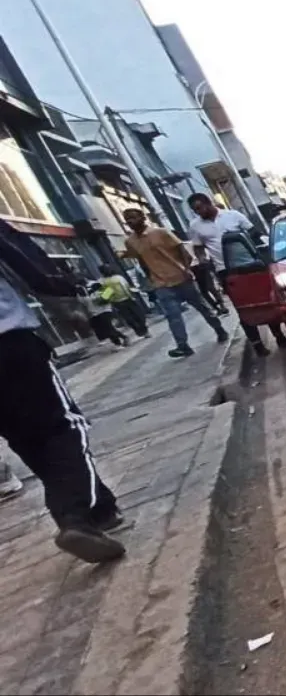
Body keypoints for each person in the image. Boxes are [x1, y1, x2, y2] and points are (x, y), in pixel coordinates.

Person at [0, 217, 126, 562]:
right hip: (10, 345)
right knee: (62, 429)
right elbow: (29, 264)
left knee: (25, 437)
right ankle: (74, 517)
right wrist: (67, 286)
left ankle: (101, 509)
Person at [186, 194, 286, 356]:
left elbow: (255, 234)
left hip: (250, 265)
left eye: (199, 208)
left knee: (264, 302)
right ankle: (257, 345)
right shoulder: (195, 226)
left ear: (208, 203)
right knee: (243, 308)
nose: (198, 212)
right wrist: (202, 259)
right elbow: (198, 248)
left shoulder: (233, 216)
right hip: (225, 271)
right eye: (194, 210)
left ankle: (279, 336)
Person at [121, 207, 228, 358]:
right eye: (127, 219)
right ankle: (182, 345)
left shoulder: (161, 232)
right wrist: (150, 278)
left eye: (133, 217)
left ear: (143, 218)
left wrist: (187, 269)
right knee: (172, 316)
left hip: (180, 277)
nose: (130, 221)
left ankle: (219, 329)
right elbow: (141, 260)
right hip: (161, 283)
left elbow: (182, 250)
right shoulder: (130, 242)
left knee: (202, 307)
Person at [97, 264, 148, 338]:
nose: (108, 270)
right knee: (130, 319)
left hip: (127, 299)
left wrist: (132, 294)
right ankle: (141, 331)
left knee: (139, 316)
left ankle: (143, 330)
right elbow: (105, 295)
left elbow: (126, 286)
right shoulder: (103, 281)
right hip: (118, 302)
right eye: (106, 269)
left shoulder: (117, 277)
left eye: (108, 268)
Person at [80, 280, 127, 348]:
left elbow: (102, 298)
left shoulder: (93, 289)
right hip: (101, 311)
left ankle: (119, 343)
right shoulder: (92, 290)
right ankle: (122, 339)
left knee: (109, 329)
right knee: (109, 329)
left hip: (104, 311)